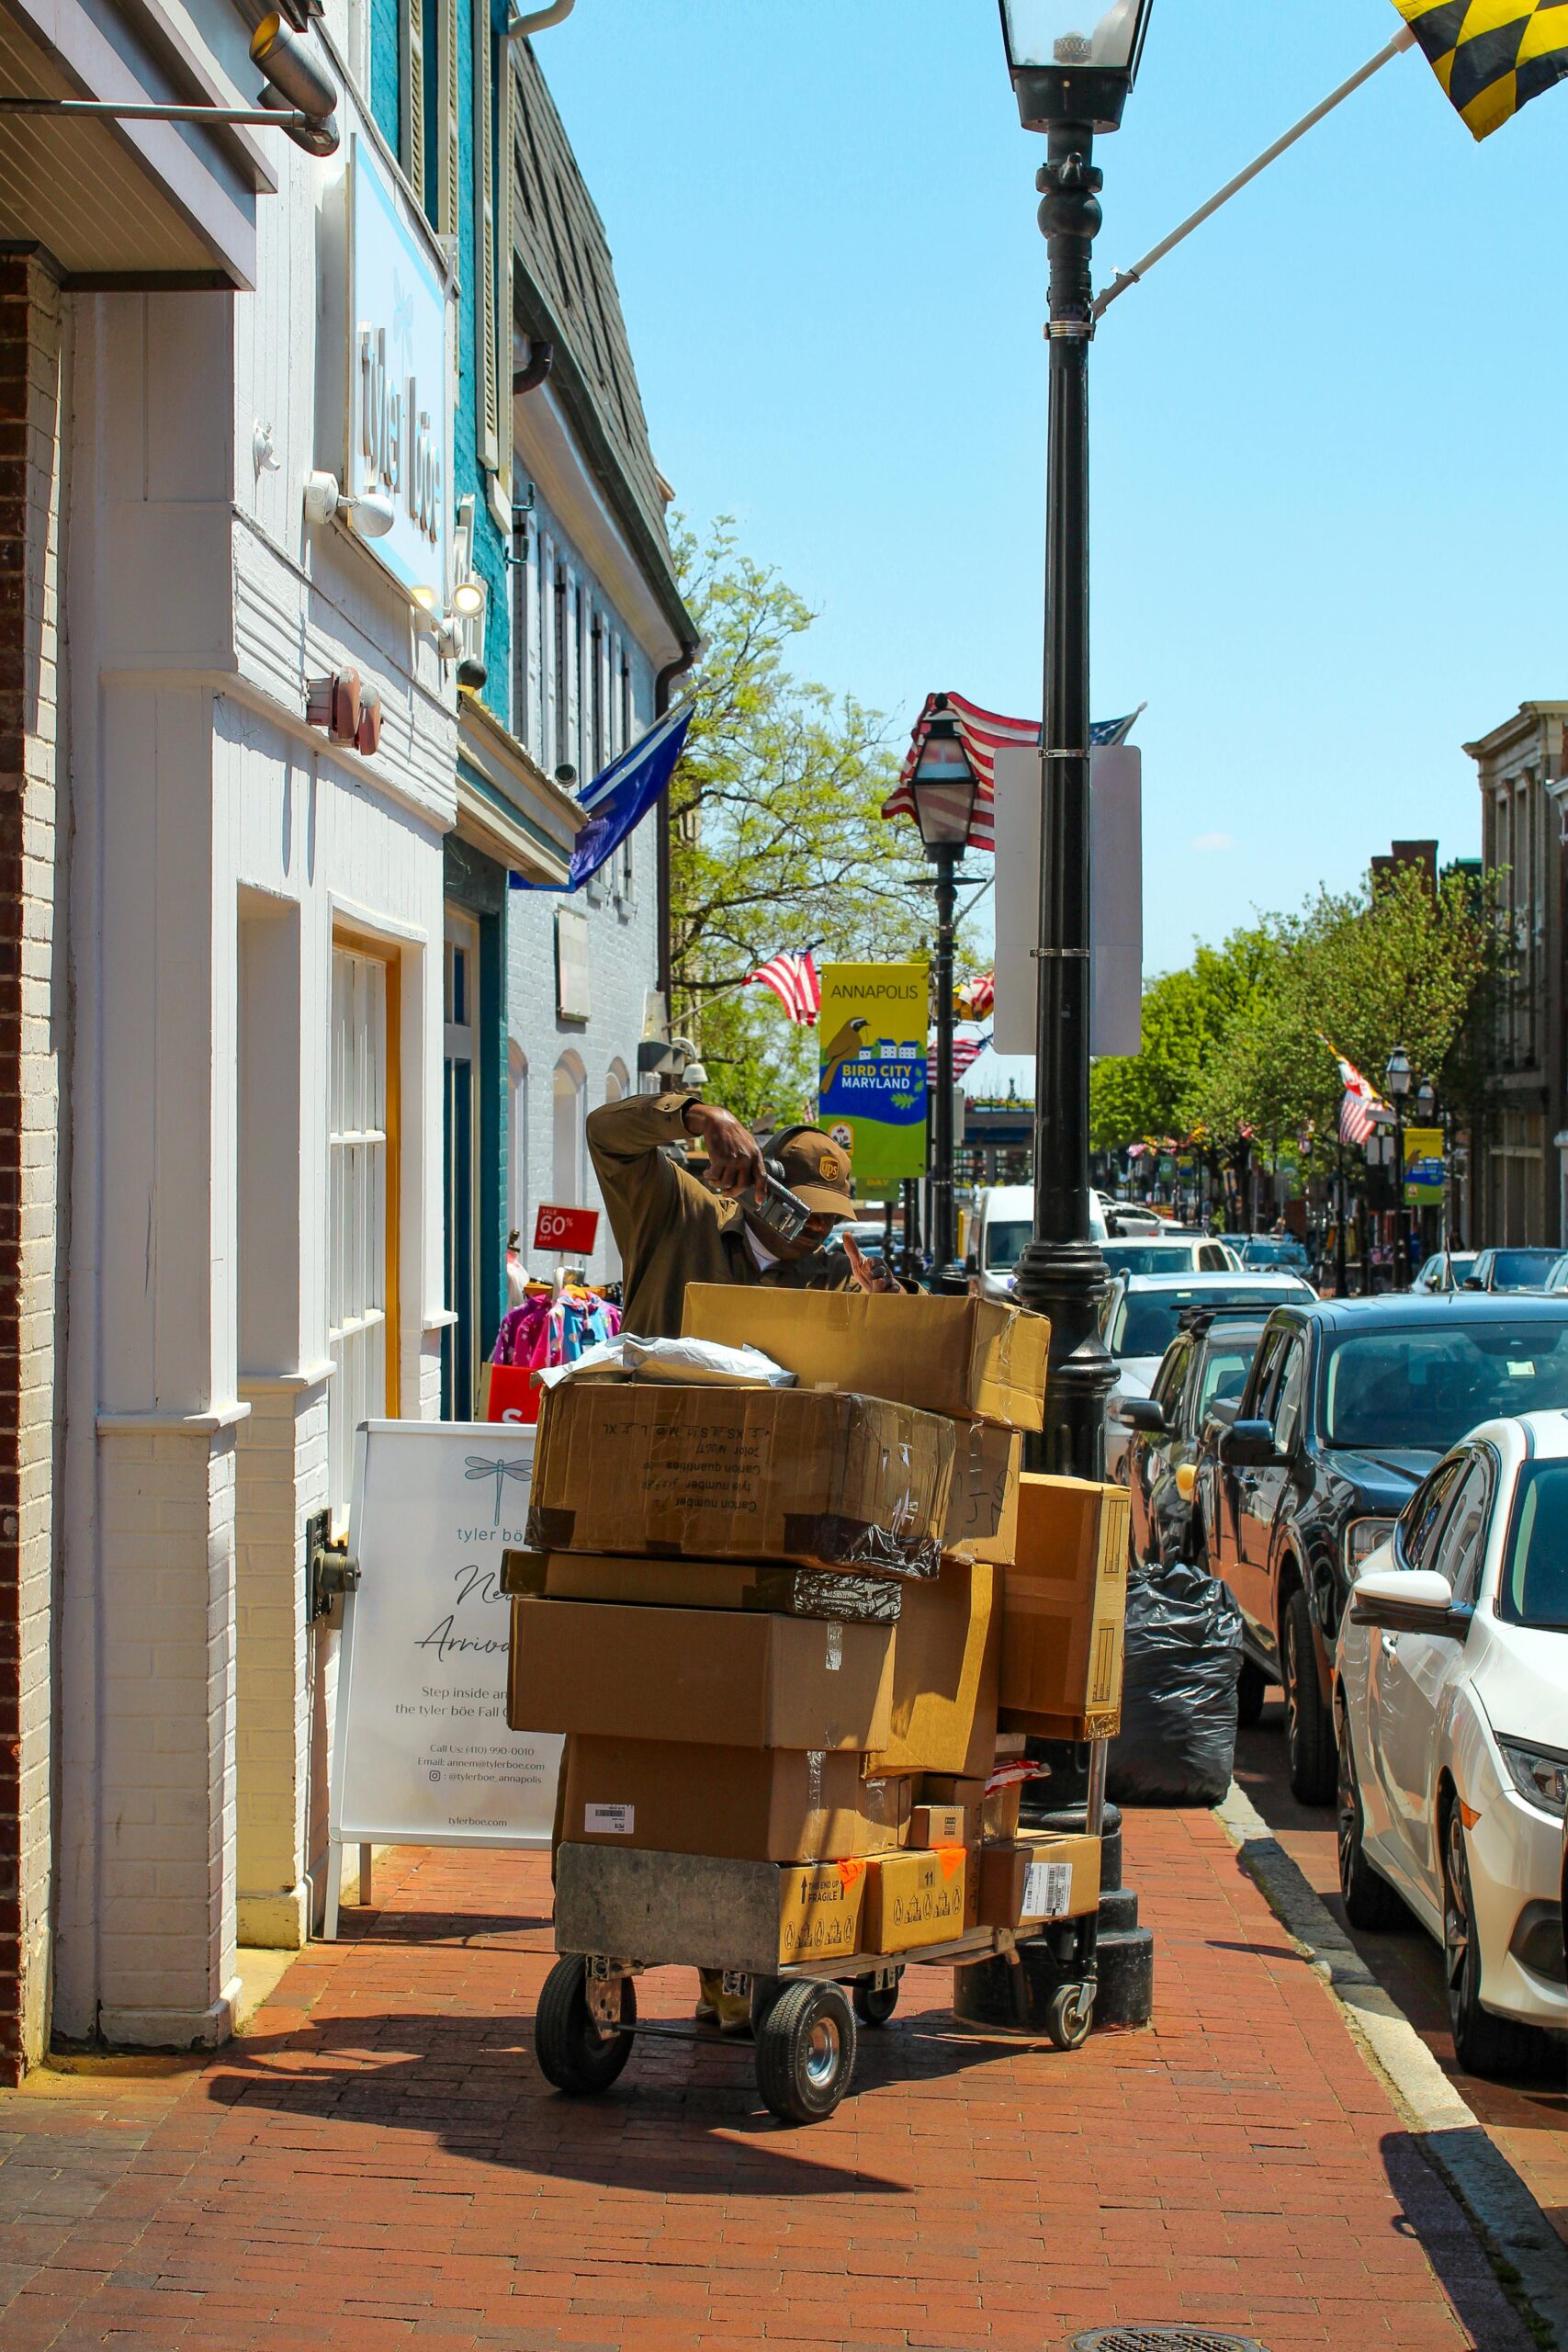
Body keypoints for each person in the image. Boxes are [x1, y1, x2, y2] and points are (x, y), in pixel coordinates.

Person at [585, 1089, 898, 1340]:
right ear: (762, 1182)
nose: (819, 1225)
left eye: (831, 1216)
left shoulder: (840, 1280)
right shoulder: (680, 1213)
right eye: (806, 1208)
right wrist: (703, 1117)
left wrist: (890, 1305)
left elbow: (925, 1334)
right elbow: (604, 1133)